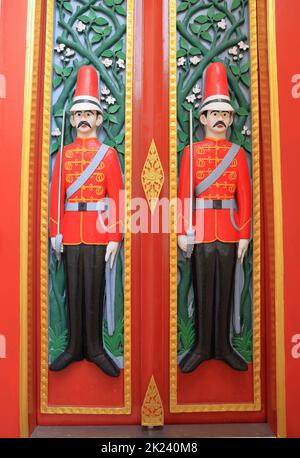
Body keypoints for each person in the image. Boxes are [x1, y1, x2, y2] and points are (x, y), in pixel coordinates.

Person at [49, 66, 123, 377]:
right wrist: (55, 230)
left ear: (98, 118)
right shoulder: (64, 155)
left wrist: (115, 236)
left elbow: (118, 196)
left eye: (89, 112)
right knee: (73, 287)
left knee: (93, 288)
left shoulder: (107, 155)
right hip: (69, 229)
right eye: (78, 112)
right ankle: (73, 347)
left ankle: (94, 347)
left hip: (97, 230)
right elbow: (55, 195)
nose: (83, 118)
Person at [178, 62, 252, 372]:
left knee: (225, 288)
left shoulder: (237, 154)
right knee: (203, 286)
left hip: (231, 230)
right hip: (202, 230)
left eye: (226, 115)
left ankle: (223, 346)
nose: (220, 120)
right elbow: (184, 195)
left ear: (231, 120)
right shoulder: (191, 153)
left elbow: (244, 196)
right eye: (215, 114)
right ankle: (201, 347)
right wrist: (183, 230)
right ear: (204, 117)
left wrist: (245, 233)